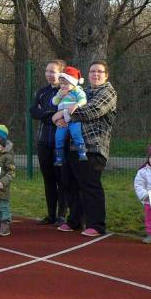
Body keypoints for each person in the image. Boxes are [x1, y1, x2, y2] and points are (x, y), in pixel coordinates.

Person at [54, 60, 117, 237]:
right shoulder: (82, 90)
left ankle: (96, 224)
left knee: (90, 186)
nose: (95, 74)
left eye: (99, 71)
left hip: (93, 147)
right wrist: (58, 115)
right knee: (70, 183)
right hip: (72, 145)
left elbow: (93, 110)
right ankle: (75, 220)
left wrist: (62, 114)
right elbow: (64, 102)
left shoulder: (108, 92)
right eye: (92, 71)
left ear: (106, 75)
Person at [29, 59, 67, 225]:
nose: (49, 74)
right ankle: (51, 215)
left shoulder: (66, 91)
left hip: (61, 142)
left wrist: (48, 113)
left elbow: (64, 113)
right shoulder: (42, 92)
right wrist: (51, 115)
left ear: (61, 73)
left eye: (53, 71)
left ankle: (62, 215)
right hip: (43, 141)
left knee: (62, 178)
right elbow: (33, 111)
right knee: (48, 178)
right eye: (47, 71)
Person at [52, 66, 87, 165]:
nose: (63, 86)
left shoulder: (77, 91)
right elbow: (54, 102)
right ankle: (59, 158)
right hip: (62, 119)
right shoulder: (60, 92)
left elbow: (83, 100)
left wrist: (77, 105)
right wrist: (59, 95)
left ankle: (82, 153)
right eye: (61, 84)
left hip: (73, 118)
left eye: (66, 84)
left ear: (73, 83)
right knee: (58, 137)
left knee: (76, 134)